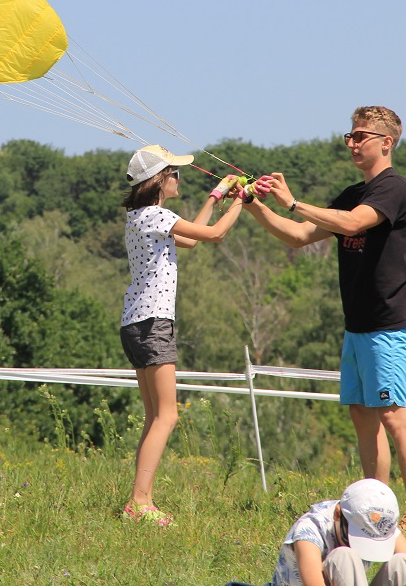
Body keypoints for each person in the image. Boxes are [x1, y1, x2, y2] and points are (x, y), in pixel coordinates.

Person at [244, 107, 406, 534]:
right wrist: (255, 206)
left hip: (388, 324)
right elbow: (299, 235)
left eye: (361, 136)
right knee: (364, 418)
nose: (352, 143)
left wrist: (292, 201)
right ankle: (375, 505)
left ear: (386, 142)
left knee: (394, 417)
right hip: (358, 325)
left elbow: (350, 223)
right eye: (349, 135)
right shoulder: (352, 192)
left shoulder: (392, 189)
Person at [120, 144, 244, 527]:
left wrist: (217, 196)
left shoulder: (145, 216)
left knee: (155, 416)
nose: (179, 177)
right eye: (174, 172)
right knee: (167, 416)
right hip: (154, 323)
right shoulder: (156, 215)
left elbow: (191, 238)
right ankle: (139, 502)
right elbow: (216, 235)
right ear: (158, 179)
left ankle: (141, 499)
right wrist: (242, 201)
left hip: (136, 323)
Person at [264, 478, 406, 586]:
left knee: (403, 562)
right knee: (344, 555)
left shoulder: (380, 526)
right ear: (338, 515)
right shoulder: (309, 532)